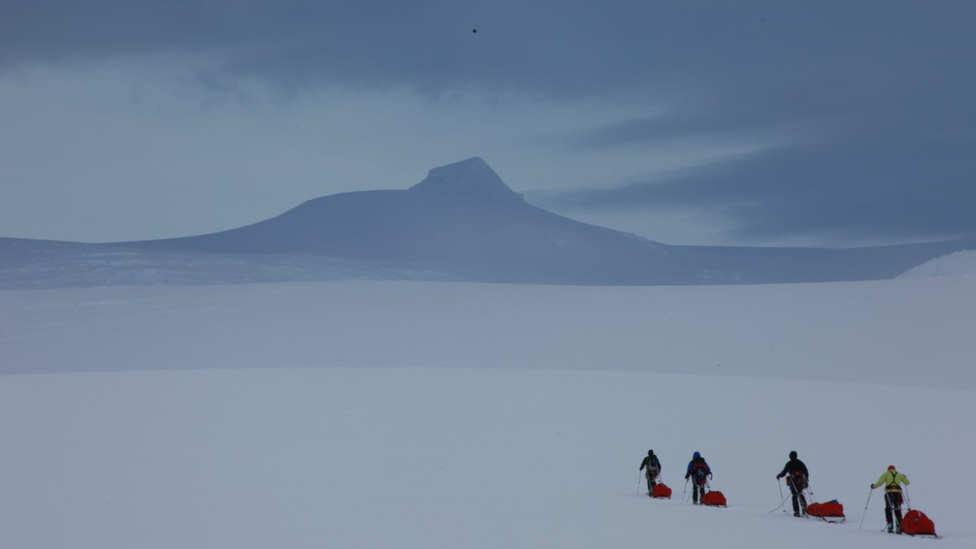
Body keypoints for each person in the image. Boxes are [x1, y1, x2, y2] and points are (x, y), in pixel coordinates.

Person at [871, 465, 910, 534]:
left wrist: (873, 486)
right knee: (897, 509)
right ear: (894, 469)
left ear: (888, 469)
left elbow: (879, 483)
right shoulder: (900, 474)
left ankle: (890, 525)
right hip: (898, 494)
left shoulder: (885, 474)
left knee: (888, 509)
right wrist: (904, 477)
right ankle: (899, 526)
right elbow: (907, 483)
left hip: (889, 493)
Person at [776, 450, 810, 517]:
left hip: (794, 482)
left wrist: (779, 475)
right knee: (800, 493)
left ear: (790, 457)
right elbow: (806, 472)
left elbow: (784, 473)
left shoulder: (789, 464)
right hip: (801, 482)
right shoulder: (800, 463)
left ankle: (796, 511)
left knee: (794, 495)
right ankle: (805, 508)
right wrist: (806, 481)